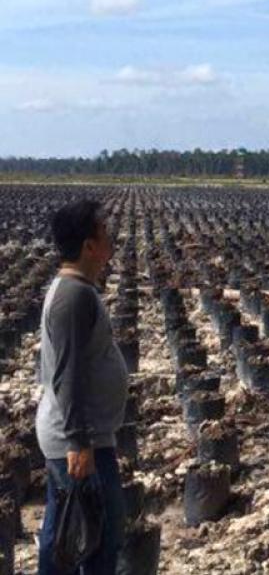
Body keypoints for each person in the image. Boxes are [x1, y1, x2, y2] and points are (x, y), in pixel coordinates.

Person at [36, 200, 127, 574]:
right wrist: (78, 441)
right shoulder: (73, 297)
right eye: (104, 232)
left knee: (67, 530)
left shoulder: (79, 290)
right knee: (99, 535)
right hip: (77, 438)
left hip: (83, 435)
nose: (111, 238)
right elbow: (66, 374)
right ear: (89, 246)